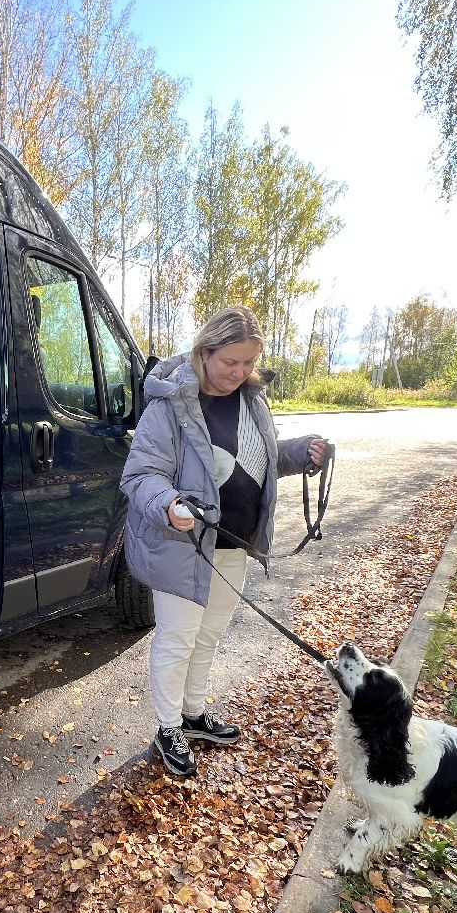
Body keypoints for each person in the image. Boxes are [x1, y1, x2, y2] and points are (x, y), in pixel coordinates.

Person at [119, 305, 329, 778]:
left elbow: (260, 458)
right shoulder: (170, 404)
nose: (238, 373)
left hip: (234, 542)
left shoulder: (253, 400)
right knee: (177, 638)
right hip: (184, 544)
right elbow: (140, 476)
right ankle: (168, 726)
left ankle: (193, 714)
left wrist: (300, 453)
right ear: (204, 352)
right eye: (229, 362)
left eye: (248, 363)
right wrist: (169, 504)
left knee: (209, 635)